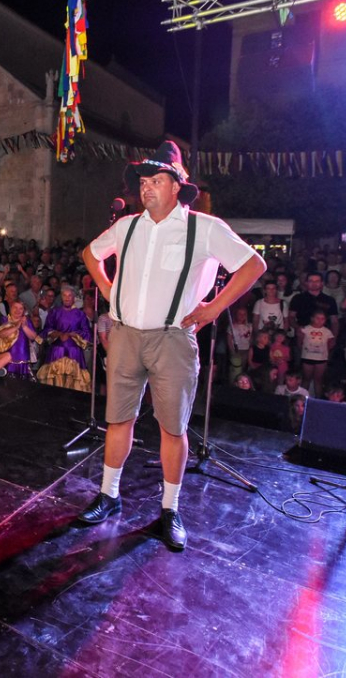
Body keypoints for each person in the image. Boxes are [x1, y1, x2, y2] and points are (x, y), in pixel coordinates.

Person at [76, 141, 266, 552]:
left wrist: (213, 308)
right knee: (118, 420)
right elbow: (90, 254)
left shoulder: (204, 228)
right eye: (143, 181)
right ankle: (109, 495)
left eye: (155, 180)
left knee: (172, 428)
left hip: (173, 340)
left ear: (177, 186)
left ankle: (169, 509)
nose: (146, 187)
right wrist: (109, 290)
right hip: (126, 335)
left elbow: (254, 265)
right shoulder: (127, 226)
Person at [36, 286, 91, 390]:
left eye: (69, 296)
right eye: (65, 295)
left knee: (74, 383)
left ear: (74, 297)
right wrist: (58, 334)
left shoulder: (80, 314)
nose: (67, 298)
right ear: (61, 297)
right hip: (56, 352)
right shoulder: (54, 312)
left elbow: (87, 333)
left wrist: (72, 334)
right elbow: (47, 329)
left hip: (74, 353)